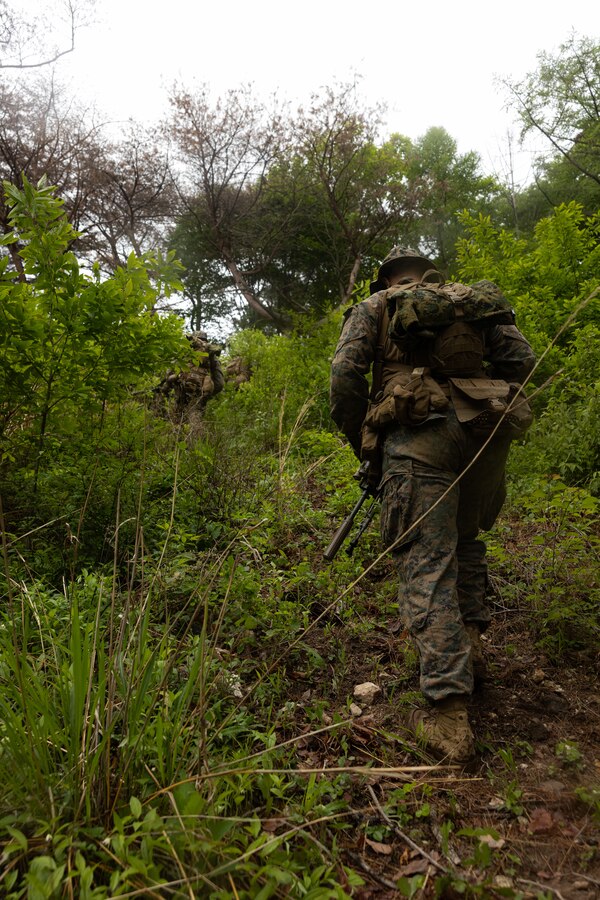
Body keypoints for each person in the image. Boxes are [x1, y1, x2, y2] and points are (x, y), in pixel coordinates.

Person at [330, 247, 535, 763]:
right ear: (427, 274)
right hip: (487, 433)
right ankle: (470, 651)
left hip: (420, 439)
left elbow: (344, 379)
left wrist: (370, 439)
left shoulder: (377, 305)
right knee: (466, 545)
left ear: (387, 279)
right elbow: (524, 364)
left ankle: (447, 714)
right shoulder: (470, 303)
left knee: (427, 565)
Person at [154, 330, 225, 421]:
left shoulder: (184, 351)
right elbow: (219, 383)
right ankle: (194, 434)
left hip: (180, 390)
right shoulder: (211, 355)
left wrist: (172, 386)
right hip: (199, 395)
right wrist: (206, 395)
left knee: (177, 419)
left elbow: (169, 373)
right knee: (195, 420)